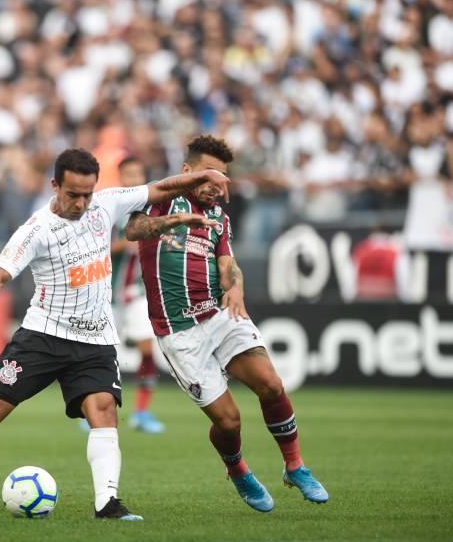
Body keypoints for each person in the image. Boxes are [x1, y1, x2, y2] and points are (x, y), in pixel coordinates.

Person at [0, 147, 228, 521]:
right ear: (55, 185)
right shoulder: (36, 230)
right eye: (73, 194)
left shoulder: (104, 205)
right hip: (43, 336)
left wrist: (203, 177)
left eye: (87, 193)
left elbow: (159, 188)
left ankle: (107, 503)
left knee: (103, 410)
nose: (81, 202)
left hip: (95, 340)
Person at [127, 135, 329, 513]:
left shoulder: (218, 214)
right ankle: (238, 470)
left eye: (222, 179)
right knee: (229, 420)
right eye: (208, 176)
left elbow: (226, 262)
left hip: (218, 315)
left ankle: (295, 466)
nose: (215, 186)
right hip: (179, 331)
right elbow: (133, 231)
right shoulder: (161, 197)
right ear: (187, 171)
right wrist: (178, 220)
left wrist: (235, 288)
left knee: (270, 384)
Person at [109, 156, 166, 433]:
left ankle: (141, 412)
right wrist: (126, 242)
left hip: (138, 293)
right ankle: (93, 411)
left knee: (147, 349)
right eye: (127, 174)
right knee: (103, 356)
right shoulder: (111, 210)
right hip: (108, 296)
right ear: (121, 177)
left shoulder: (152, 210)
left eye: (136, 174)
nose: (132, 179)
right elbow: (97, 251)